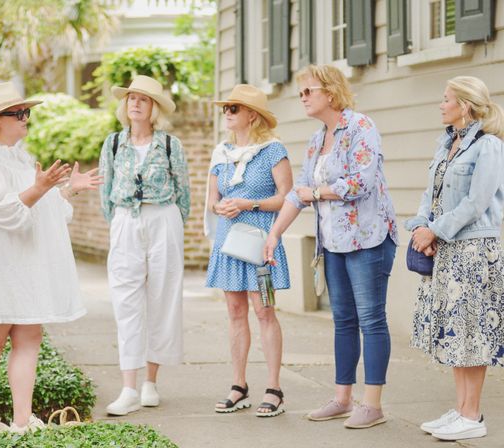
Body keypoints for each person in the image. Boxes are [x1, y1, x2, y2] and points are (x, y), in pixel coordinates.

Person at [0, 81, 101, 440]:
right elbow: (5, 212)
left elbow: (37, 210)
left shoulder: (19, 159)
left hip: (22, 265)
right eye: (19, 114)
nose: (26, 118)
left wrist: (64, 189)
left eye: (27, 112)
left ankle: (21, 421)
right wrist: (41, 187)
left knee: (29, 336)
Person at [264, 65, 398, 428]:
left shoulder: (361, 127)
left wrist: (318, 193)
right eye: (301, 93)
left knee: (371, 319)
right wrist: (275, 233)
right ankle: (342, 398)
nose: (303, 97)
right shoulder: (316, 139)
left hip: (369, 239)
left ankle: (372, 405)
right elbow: (298, 192)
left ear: (331, 92)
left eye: (309, 91)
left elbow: (362, 182)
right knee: (342, 320)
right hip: (333, 243)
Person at [406, 76, 504, 441]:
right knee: (454, 334)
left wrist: (437, 230)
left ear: (464, 105)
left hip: (474, 252)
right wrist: (420, 228)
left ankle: (473, 414)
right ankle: (461, 409)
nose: (440, 104)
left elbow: (477, 203)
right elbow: (428, 195)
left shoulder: (489, 146)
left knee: (472, 333)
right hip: (447, 249)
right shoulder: (447, 144)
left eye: (446, 99)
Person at [99, 75, 190, 415]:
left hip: (163, 217)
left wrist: (170, 221)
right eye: (131, 98)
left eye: (144, 99)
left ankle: (150, 382)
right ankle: (128, 388)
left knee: (162, 297)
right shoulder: (112, 144)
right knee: (126, 301)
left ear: (154, 109)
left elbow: (184, 193)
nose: (135, 103)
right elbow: (105, 192)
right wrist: (121, 222)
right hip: (125, 220)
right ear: (125, 106)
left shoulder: (170, 145)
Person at [205, 84, 292, 418]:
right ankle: (238, 385)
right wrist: (220, 207)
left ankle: (274, 388)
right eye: (226, 108)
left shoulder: (273, 150)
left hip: (260, 243)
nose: (227, 113)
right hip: (229, 243)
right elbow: (211, 200)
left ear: (252, 115)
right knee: (235, 312)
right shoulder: (220, 153)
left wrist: (248, 203)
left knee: (264, 311)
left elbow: (287, 196)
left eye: (233, 108)